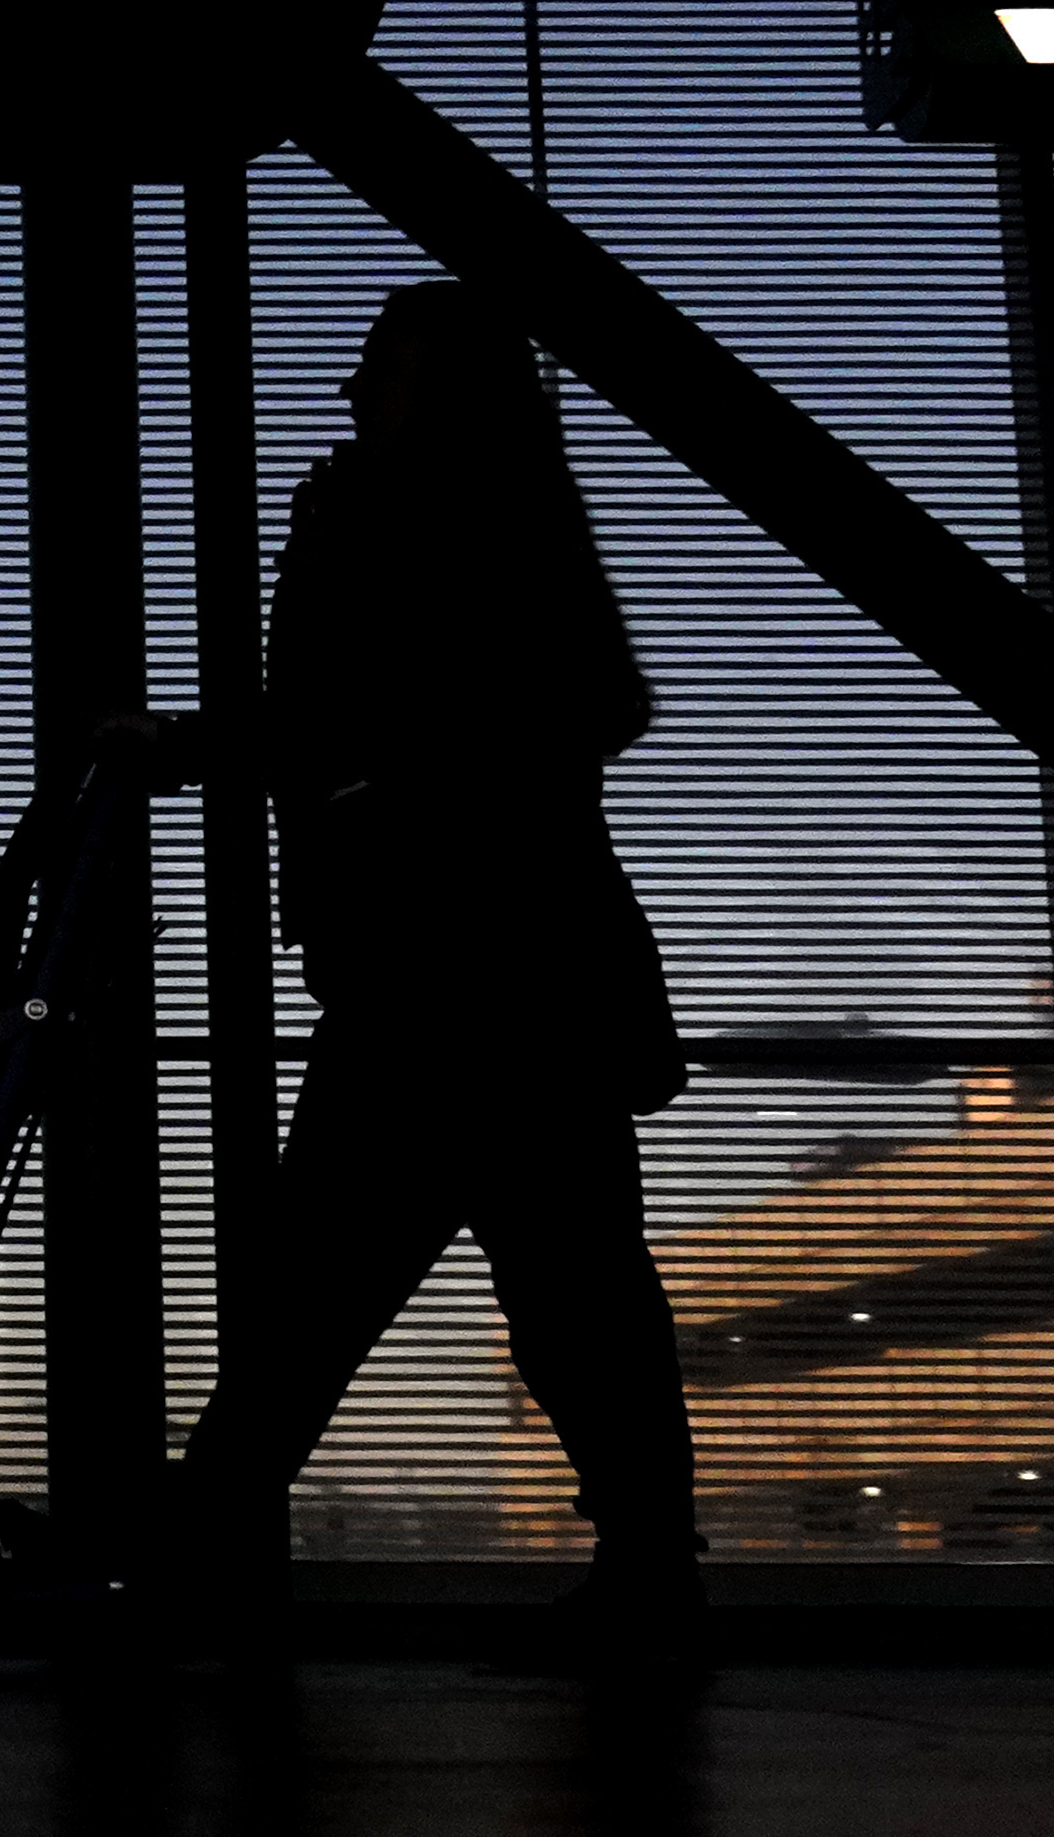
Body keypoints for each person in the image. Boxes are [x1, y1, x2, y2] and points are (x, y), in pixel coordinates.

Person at [175, 279, 704, 1628]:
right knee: (555, 1292)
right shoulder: (428, 511)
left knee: (347, 1289)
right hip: (493, 979)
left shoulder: (447, 516)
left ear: (450, 391)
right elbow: (338, 710)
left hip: (466, 978)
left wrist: (372, 767)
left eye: (384, 369)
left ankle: (181, 1555)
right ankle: (646, 1577)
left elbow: (377, 712)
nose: (355, 391)